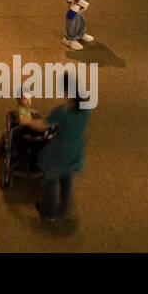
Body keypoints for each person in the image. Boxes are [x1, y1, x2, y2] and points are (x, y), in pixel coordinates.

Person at [30, 89, 93, 221]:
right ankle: (64, 205)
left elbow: (42, 125)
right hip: (76, 148)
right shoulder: (87, 109)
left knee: (52, 180)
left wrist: (26, 122)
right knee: (67, 176)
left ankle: (48, 213)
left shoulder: (62, 111)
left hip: (60, 149)